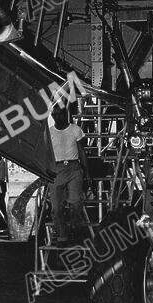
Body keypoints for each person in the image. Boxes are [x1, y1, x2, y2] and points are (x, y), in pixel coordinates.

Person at [48, 104, 89, 245]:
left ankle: (74, 232)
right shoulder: (49, 132)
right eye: (55, 115)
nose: (57, 117)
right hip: (56, 169)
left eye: (60, 114)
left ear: (66, 114)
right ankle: (62, 236)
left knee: (75, 203)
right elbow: (46, 154)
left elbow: (81, 151)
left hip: (73, 167)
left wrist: (86, 172)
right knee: (57, 208)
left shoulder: (75, 130)